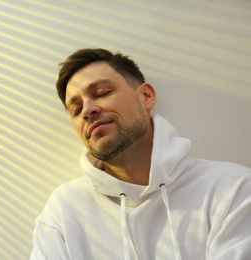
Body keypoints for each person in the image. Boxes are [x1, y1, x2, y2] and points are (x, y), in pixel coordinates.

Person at [30, 48, 251, 260]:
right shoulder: (63, 209)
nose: (87, 110)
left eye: (102, 93)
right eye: (76, 110)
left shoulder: (233, 190)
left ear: (146, 96)